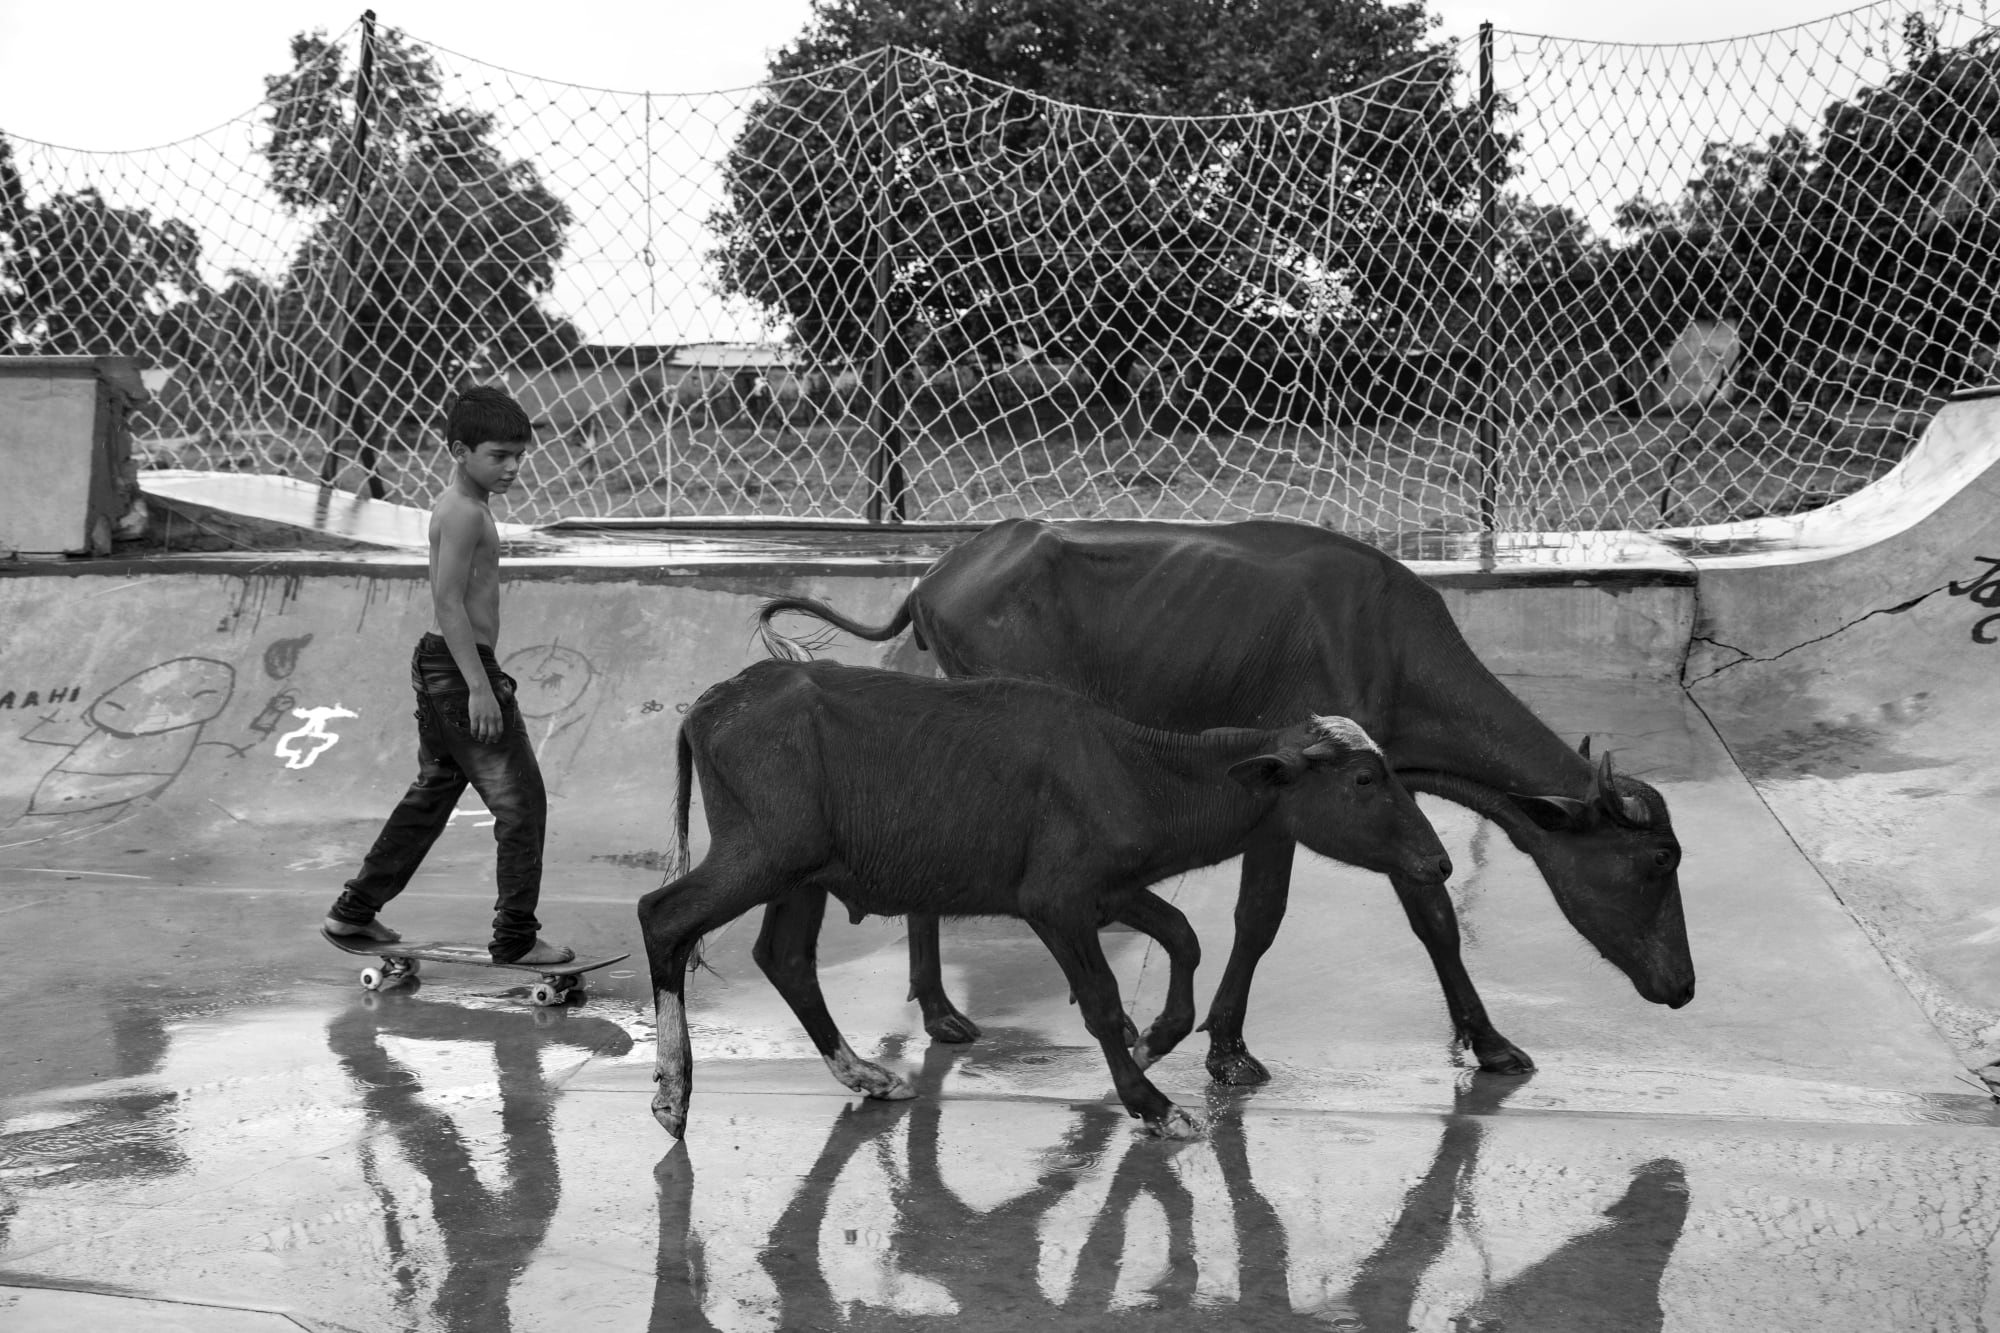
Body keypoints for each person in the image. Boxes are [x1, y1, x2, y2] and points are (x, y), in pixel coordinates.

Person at [324, 386, 572, 965]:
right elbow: (447, 602)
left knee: (431, 796)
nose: (512, 467)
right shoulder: (462, 512)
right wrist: (480, 687)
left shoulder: (466, 505)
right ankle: (516, 937)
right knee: (522, 806)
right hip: (461, 673)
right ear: (460, 450)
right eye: (499, 455)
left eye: (519, 456)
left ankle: (354, 912)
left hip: (444, 668)